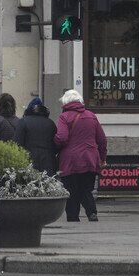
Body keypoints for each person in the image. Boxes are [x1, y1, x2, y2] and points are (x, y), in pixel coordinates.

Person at [54, 90, 107, 221]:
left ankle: (73, 217)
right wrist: (102, 158)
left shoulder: (64, 117)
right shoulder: (91, 116)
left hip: (70, 160)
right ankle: (91, 212)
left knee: (71, 190)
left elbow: (62, 138)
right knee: (86, 188)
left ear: (65, 102)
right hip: (90, 159)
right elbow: (102, 140)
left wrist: (54, 143)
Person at [14, 97, 58, 175]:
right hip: (49, 163)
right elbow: (56, 145)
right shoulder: (51, 123)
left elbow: (17, 144)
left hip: (28, 162)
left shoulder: (23, 122)